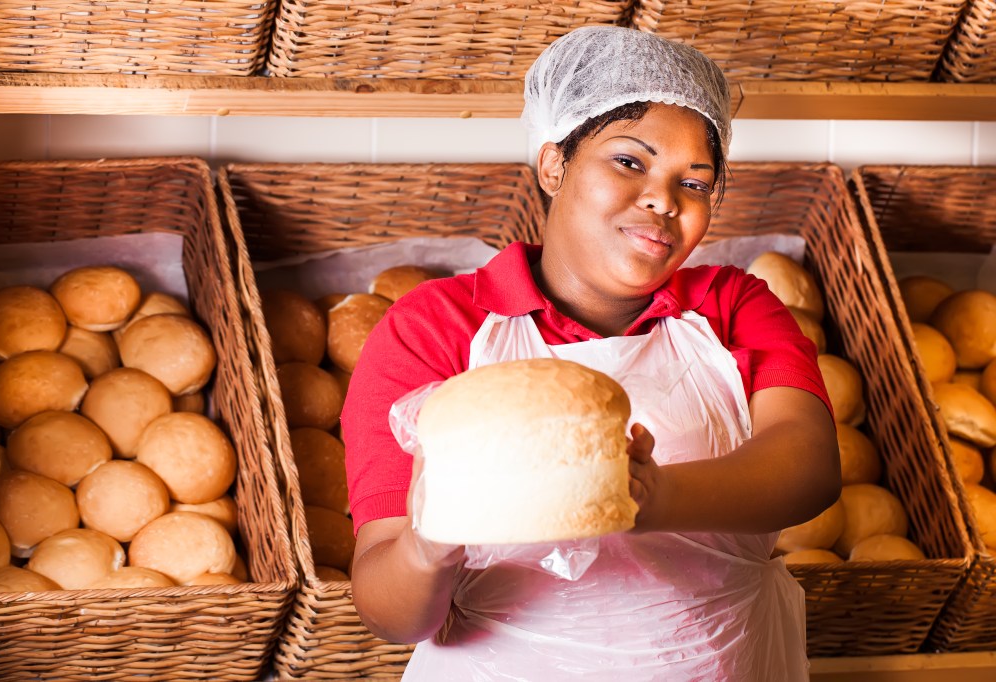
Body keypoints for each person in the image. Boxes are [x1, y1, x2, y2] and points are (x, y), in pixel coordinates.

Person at [341, 25, 840, 681]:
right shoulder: (435, 326)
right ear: (554, 165)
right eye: (630, 162)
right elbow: (389, 613)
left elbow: (809, 468)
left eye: (695, 183)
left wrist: (651, 497)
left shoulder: (733, 303)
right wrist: (428, 545)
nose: (664, 199)